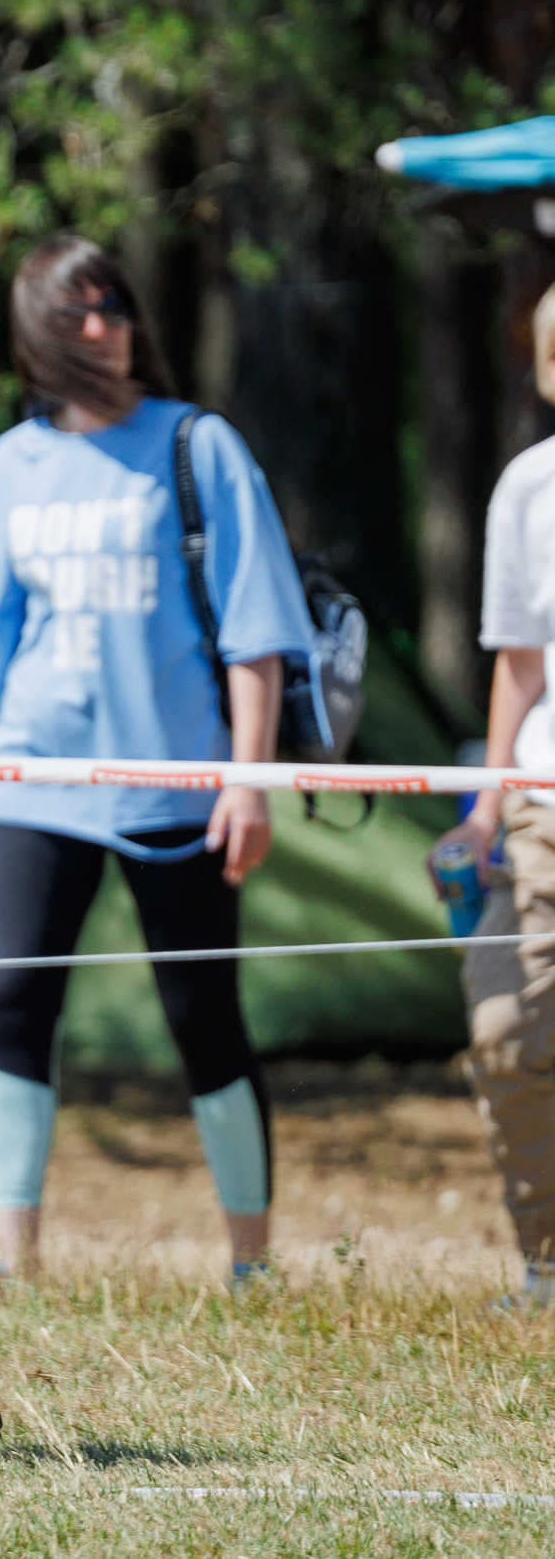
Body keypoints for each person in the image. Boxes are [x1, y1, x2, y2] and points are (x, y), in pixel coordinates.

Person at [0, 234, 316, 1286]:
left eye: (115, 308)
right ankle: (5, 1259)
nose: (105, 329)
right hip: (32, 779)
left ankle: (252, 1260)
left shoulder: (198, 446)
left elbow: (255, 630)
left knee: (204, 1017)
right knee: (10, 1003)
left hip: (183, 788)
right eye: (79, 314)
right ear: (36, 334)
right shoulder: (10, 463)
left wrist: (248, 779)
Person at [430, 281, 555, 1313]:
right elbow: (518, 661)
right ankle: (544, 1261)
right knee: (506, 1032)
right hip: (538, 809)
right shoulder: (527, 486)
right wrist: (482, 808)